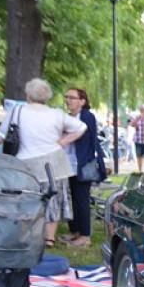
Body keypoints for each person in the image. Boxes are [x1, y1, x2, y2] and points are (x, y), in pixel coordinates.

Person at [0, 78, 86, 247]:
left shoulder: (17, 111)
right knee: (53, 200)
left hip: (25, 165)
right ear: (47, 96)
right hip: (54, 163)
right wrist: (64, 141)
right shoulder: (56, 114)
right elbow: (81, 127)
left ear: (28, 95)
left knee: (24, 199)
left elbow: (2, 135)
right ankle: (49, 238)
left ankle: (25, 235)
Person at [61, 87, 106, 247]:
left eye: (72, 97)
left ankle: (85, 235)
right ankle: (75, 230)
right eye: (67, 97)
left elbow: (87, 139)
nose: (68, 100)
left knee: (82, 199)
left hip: (83, 163)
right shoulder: (67, 117)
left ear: (82, 101)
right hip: (68, 162)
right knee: (71, 198)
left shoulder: (87, 116)